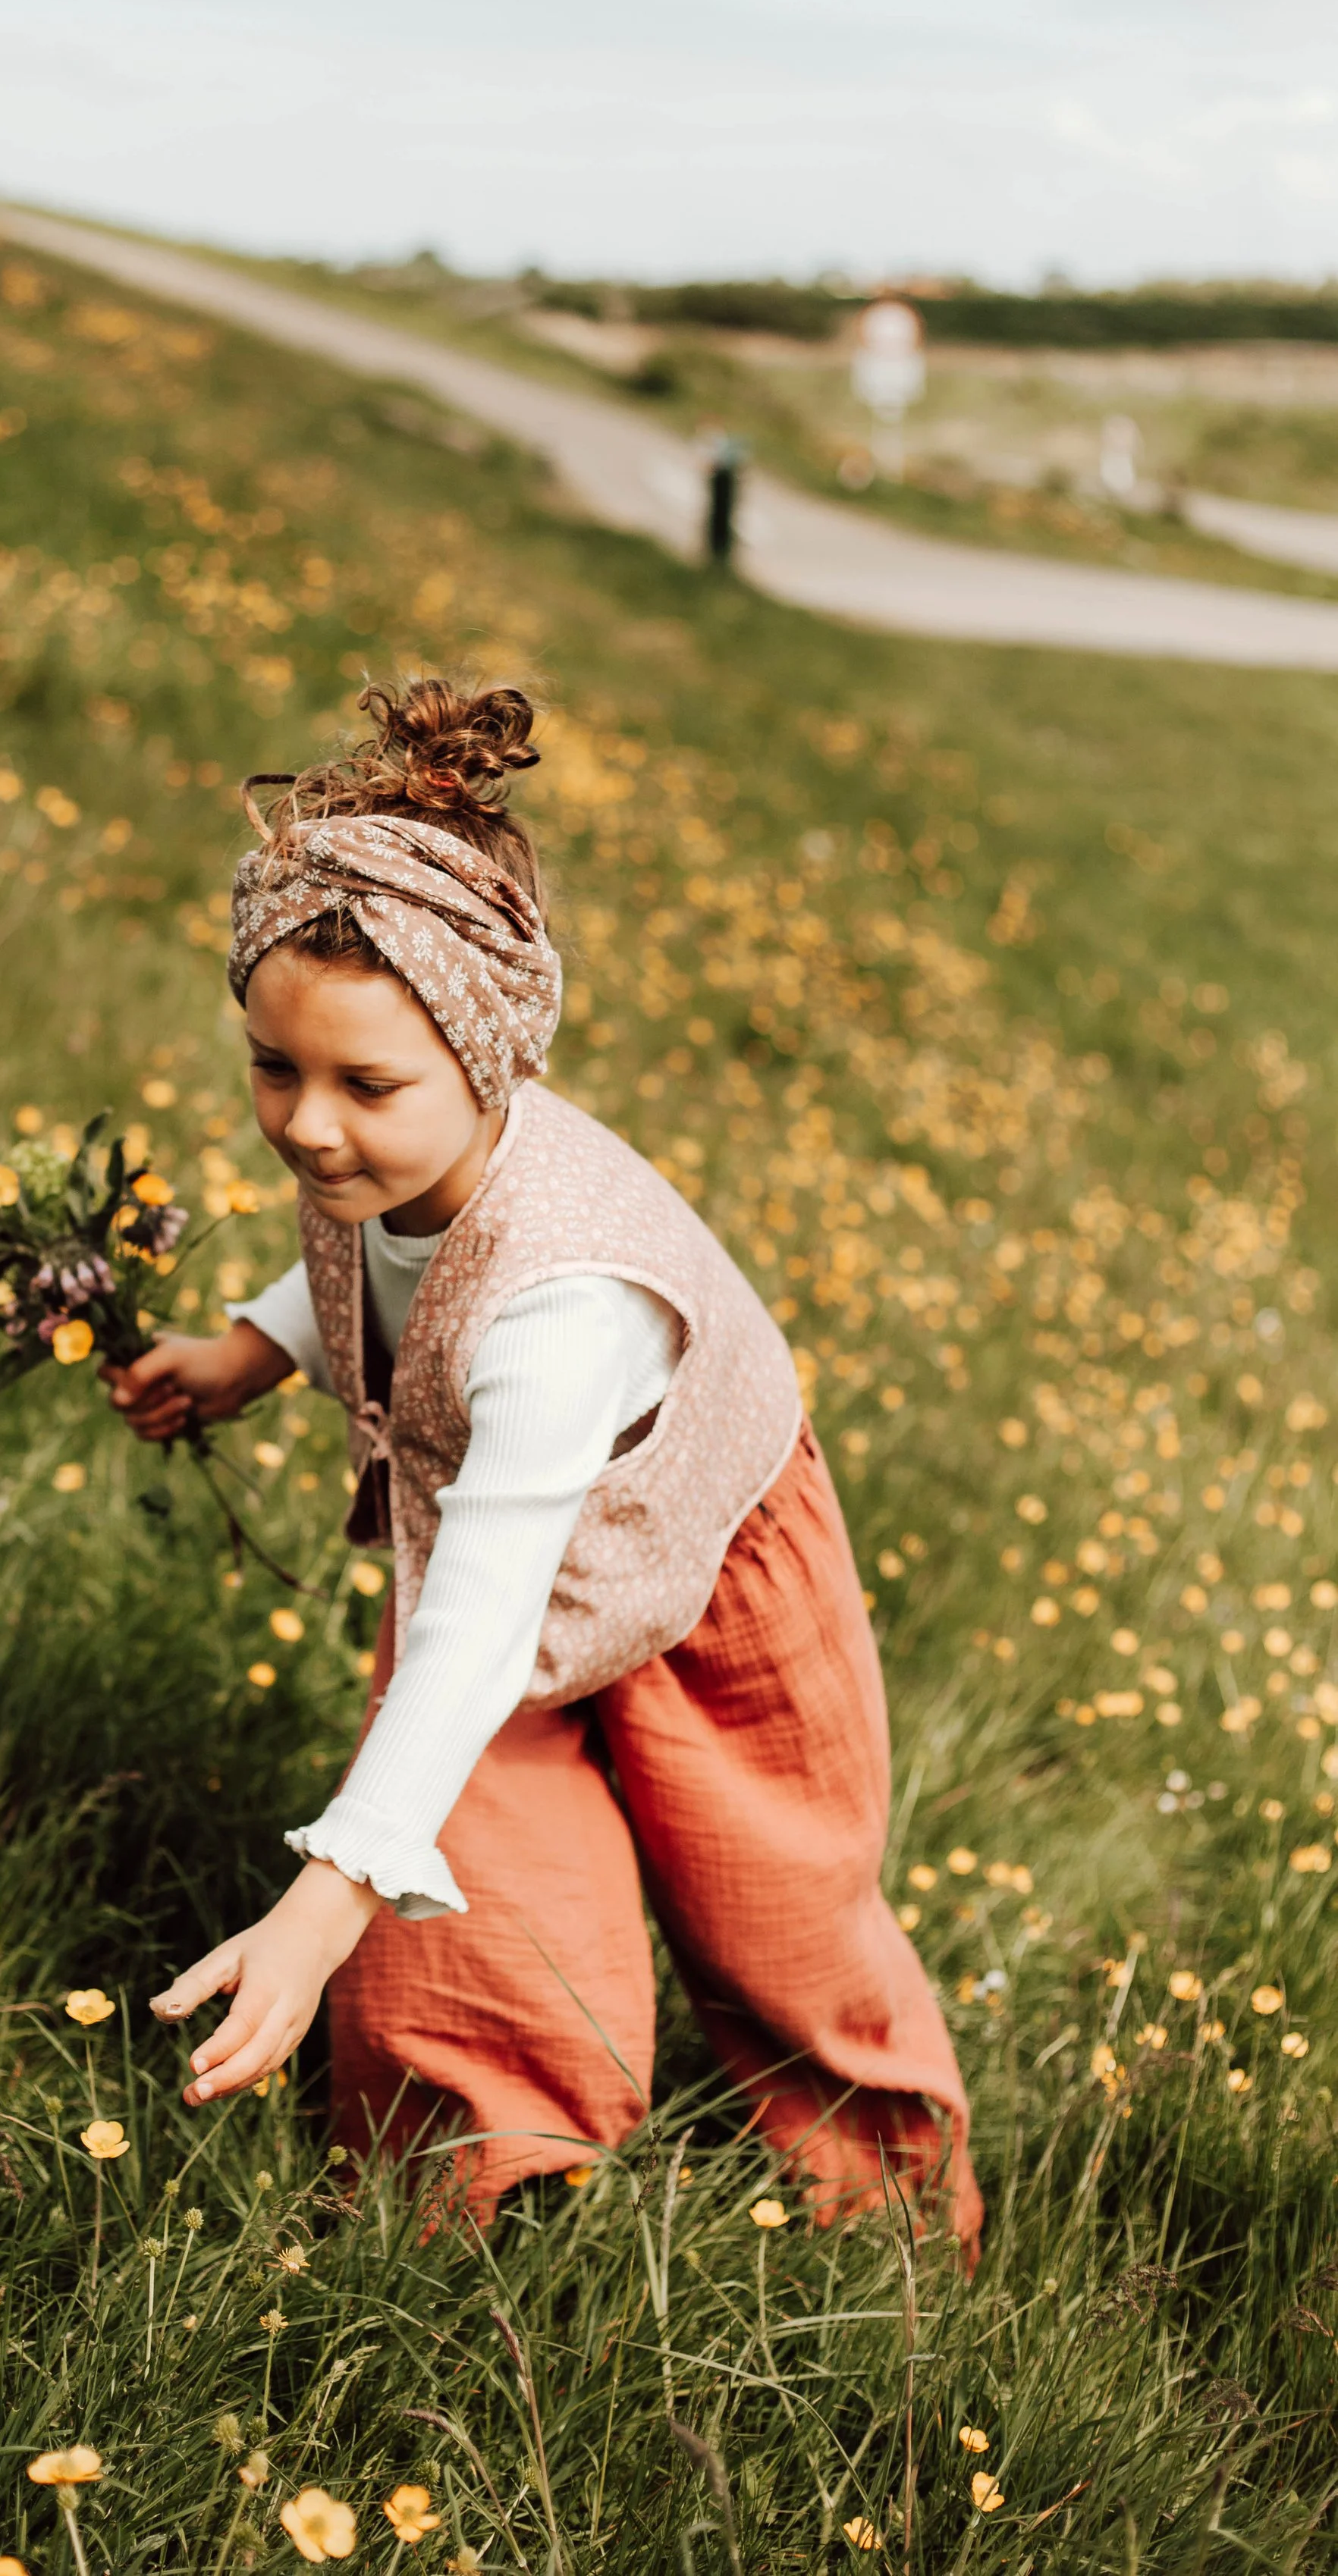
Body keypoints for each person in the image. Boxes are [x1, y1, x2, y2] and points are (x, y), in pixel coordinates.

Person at [105, 676, 981, 2256]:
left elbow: (484, 1617)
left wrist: (315, 1901)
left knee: (772, 1902)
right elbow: (374, 1282)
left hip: (704, 1567)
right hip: (498, 1577)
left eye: (363, 1086)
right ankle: (480, 2200)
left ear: (491, 1061)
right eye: (271, 1068)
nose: (306, 1129)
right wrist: (248, 1348)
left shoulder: (568, 1307)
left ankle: (890, 2223)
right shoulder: (382, 1152)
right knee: (469, 1884)